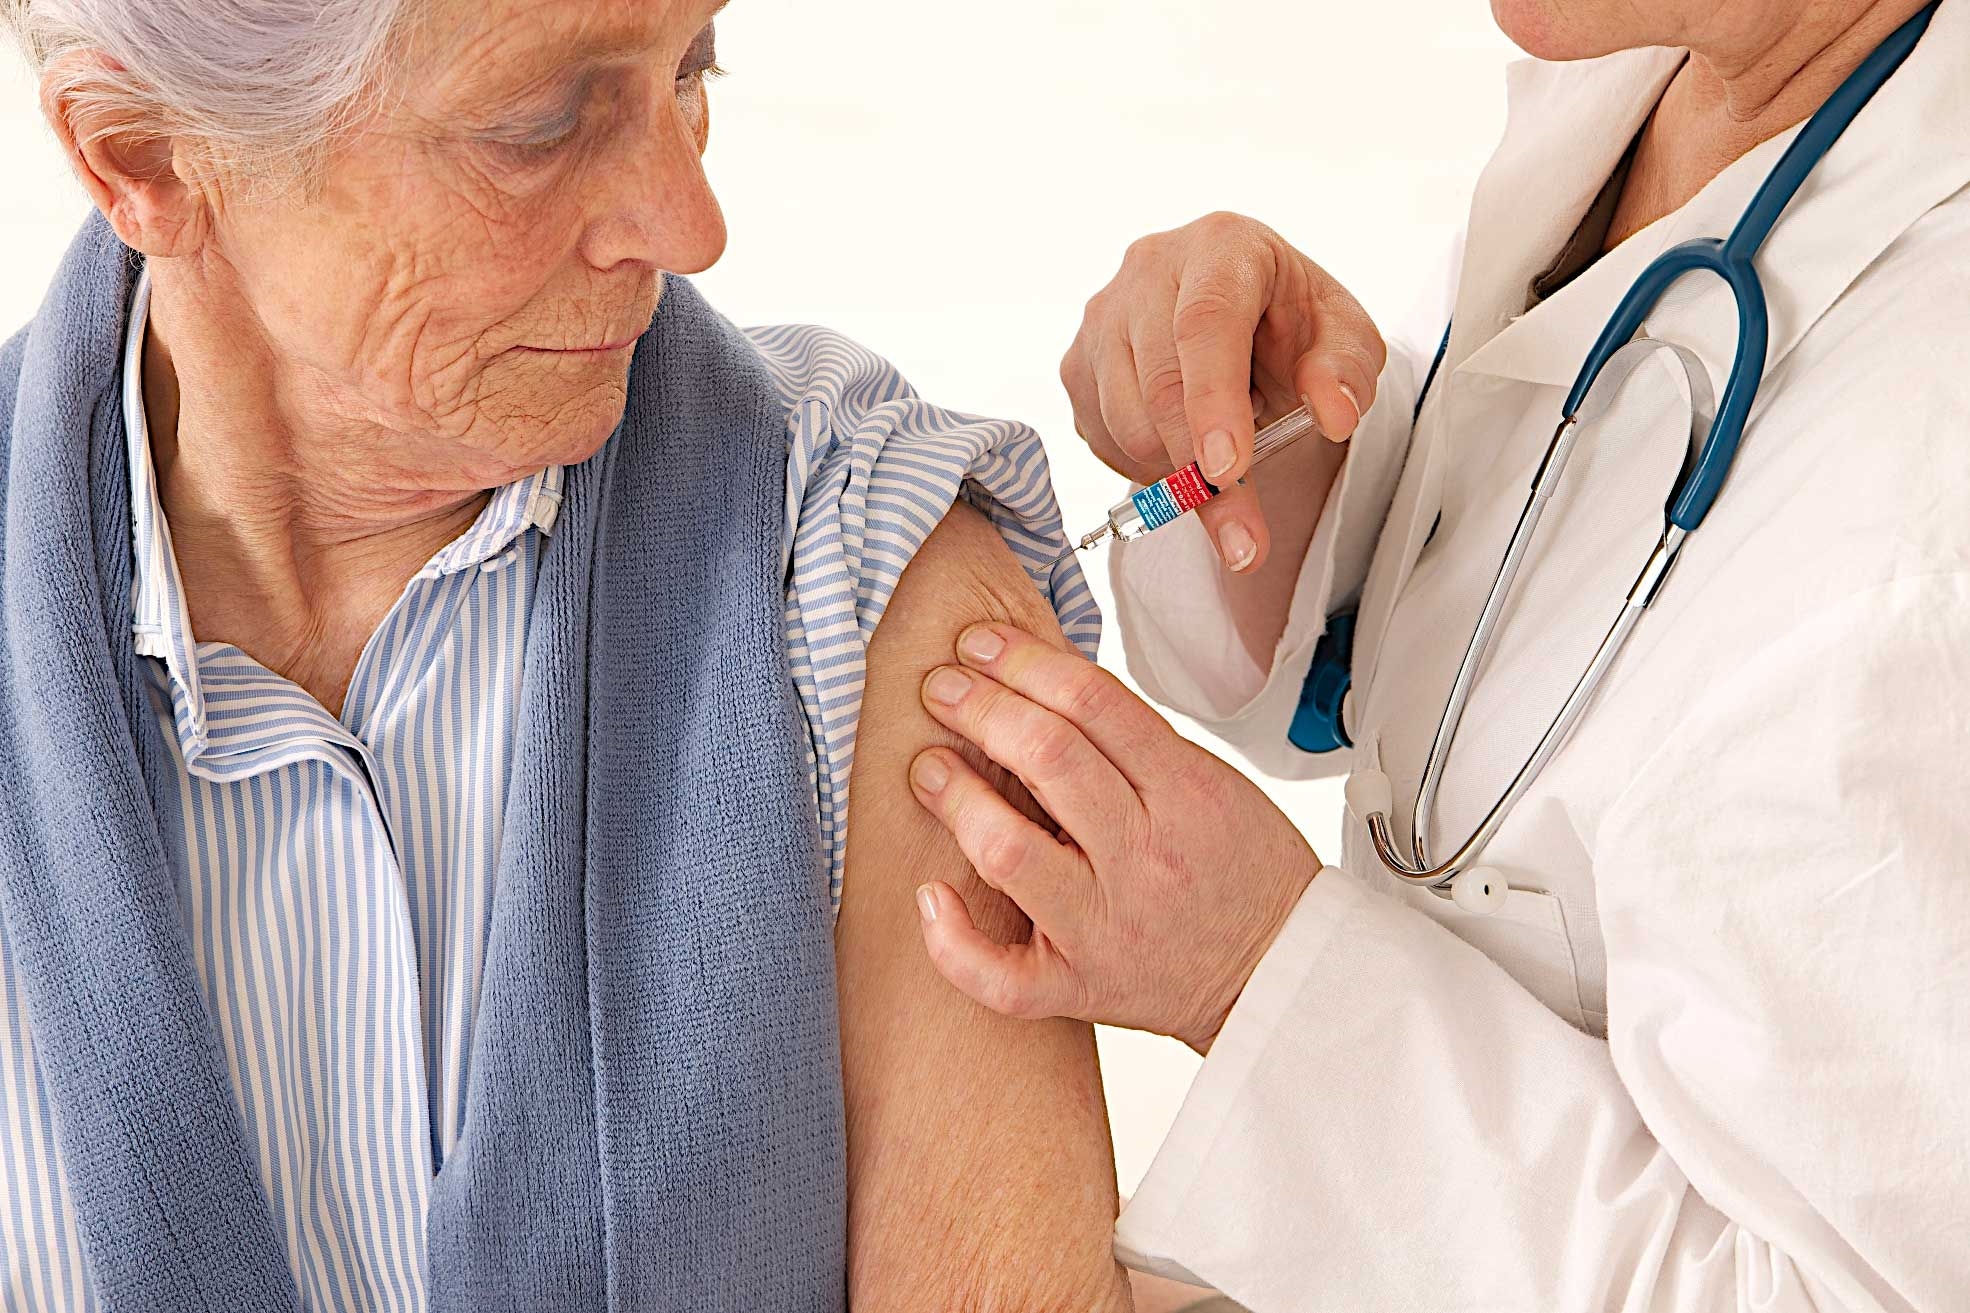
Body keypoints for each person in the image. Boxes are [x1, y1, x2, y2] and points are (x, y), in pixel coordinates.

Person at [0, 1, 1135, 1309]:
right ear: (141, 154)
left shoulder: (853, 554)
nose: (693, 227)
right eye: (538, 126)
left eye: (691, 65)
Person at [905, 0, 1970, 1308]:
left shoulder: (1925, 496)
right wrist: (1288, 449)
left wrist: (1252, 974)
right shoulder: (1669, 75)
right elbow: (1480, 666)